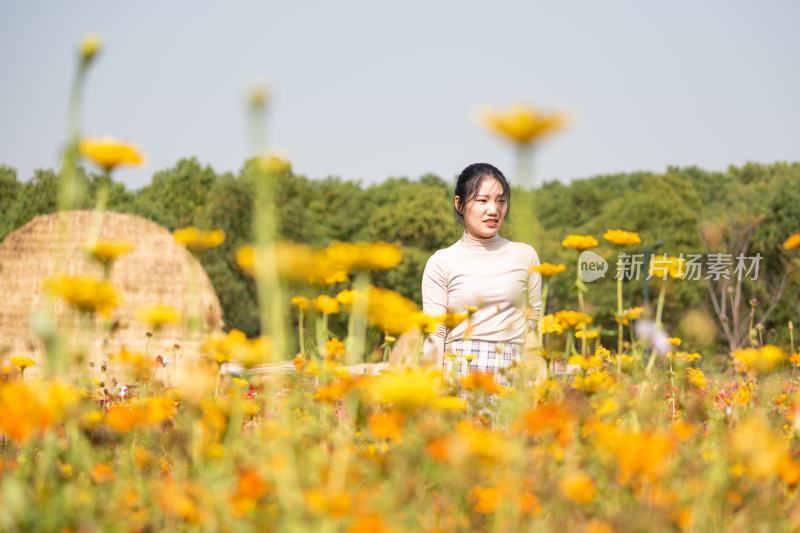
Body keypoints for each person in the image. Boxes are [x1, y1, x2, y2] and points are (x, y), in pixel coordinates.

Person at [421, 163, 542, 387]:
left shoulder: (525, 255)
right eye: (482, 200)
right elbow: (435, 333)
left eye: (501, 200)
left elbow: (532, 319)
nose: (494, 210)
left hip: (511, 376)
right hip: (458, 376)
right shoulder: (441, 261)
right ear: (459, 204)